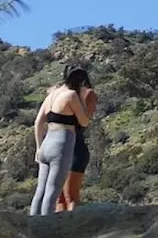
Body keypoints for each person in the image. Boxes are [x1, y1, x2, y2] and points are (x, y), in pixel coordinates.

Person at [29, 67, 91, 216]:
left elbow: (38, 122)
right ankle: (46, 229)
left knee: (40, 191)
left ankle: (32, 227)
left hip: (46, 143)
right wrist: (83, 101)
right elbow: (84, 122)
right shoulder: (70, 95)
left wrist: (38, 147)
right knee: (53, 190)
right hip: (62, 143)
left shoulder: (51, 95)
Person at [56, 67, 97, 212]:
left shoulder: (57, 94)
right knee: (70, 197)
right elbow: (86, 120)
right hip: (75, 144)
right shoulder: (89, 94)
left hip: (57, 144)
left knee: (60, 198)